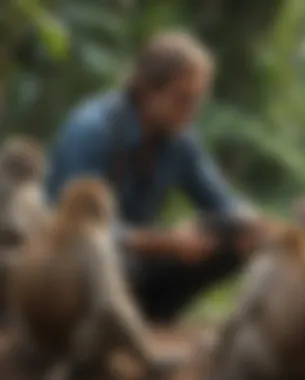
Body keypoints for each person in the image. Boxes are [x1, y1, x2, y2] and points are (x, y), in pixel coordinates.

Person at [46, 31, 259, 324]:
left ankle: (149, 318)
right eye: (182, 99)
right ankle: (90, 322)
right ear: (147, 91)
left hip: (135, 263)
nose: (190, 112)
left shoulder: (180, 139)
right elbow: (80, 231)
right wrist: (164, 242)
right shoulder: (93, 130)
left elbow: (220, 201)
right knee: (104, 257)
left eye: (196, 101)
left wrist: (255, 227)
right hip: (76, 263)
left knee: (234, 240)